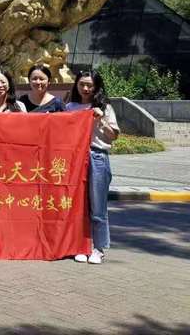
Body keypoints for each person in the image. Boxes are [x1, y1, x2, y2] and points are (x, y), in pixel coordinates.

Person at [66, 70, 120, 265]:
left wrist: (101, 120)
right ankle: (81, 246)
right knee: (77, 206)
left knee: (98, 206)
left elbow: (114, 136)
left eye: (89, 85)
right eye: (82, 84)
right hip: (75, 160)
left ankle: (98, 248)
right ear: (76, 85)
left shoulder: (105, 108)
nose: (86, 88)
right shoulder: (70, 107)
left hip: (97, 157)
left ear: (96, 87)